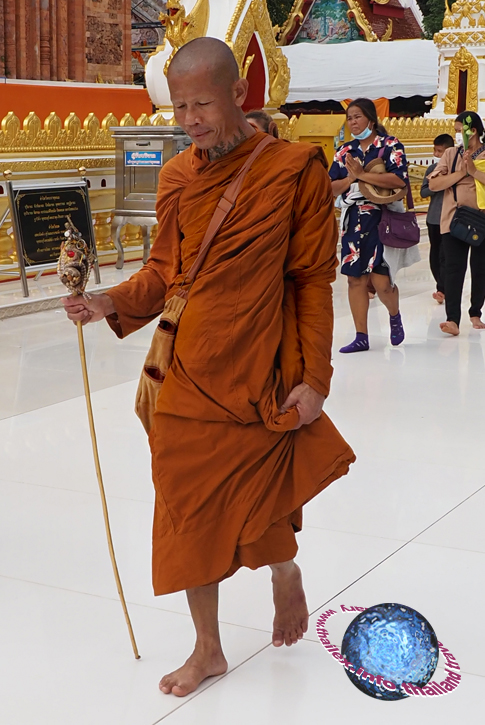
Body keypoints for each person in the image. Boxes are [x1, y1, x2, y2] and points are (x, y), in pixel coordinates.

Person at [62, 38, 355, 696]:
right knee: (184, 507)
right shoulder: (176, 177)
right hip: (187, 370)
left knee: (260, 496)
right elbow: (165, 272)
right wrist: (107, 301)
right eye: (180, 106)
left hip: (258, 364)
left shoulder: (294, 170)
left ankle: (284, 573)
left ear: (238, 95)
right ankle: (208, 647)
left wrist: (315, 379)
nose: (189, 120)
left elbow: (311, 280)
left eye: (202, 104)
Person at [329, 98, 408, 353]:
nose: (353, 122)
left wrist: (363, 175)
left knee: (381, 281)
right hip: (353, 219)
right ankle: (361, 336)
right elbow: (330, 187)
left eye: (357, 117)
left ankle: (394, 314)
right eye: (349, 118)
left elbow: (399, 179)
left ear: (371, 119)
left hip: (381, 218)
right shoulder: (344, 151)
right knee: (355, 279)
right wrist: (350, 179)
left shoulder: (390, 145)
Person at [429, 111, 485, 335]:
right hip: (453, 218)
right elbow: (434, 184)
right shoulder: (451, 154)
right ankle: (452, 319)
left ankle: (475, 312)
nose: (459, 135)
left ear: (475, 130)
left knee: (480, 267)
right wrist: (462, 173)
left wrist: (474, 171)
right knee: (453, 268)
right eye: (457, 131)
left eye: (461, 130)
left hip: (481, 218)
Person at [420, 134, 454, 304]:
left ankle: (444, 289)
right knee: (435, 253)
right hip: (434, 218)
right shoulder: (432, 169)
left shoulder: (458, 170)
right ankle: (440, 286)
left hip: (451, 218)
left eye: (439, 151)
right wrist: (437, 183)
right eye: (435, 150)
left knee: (446, 254)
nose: (436, 154)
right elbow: (423, 192)